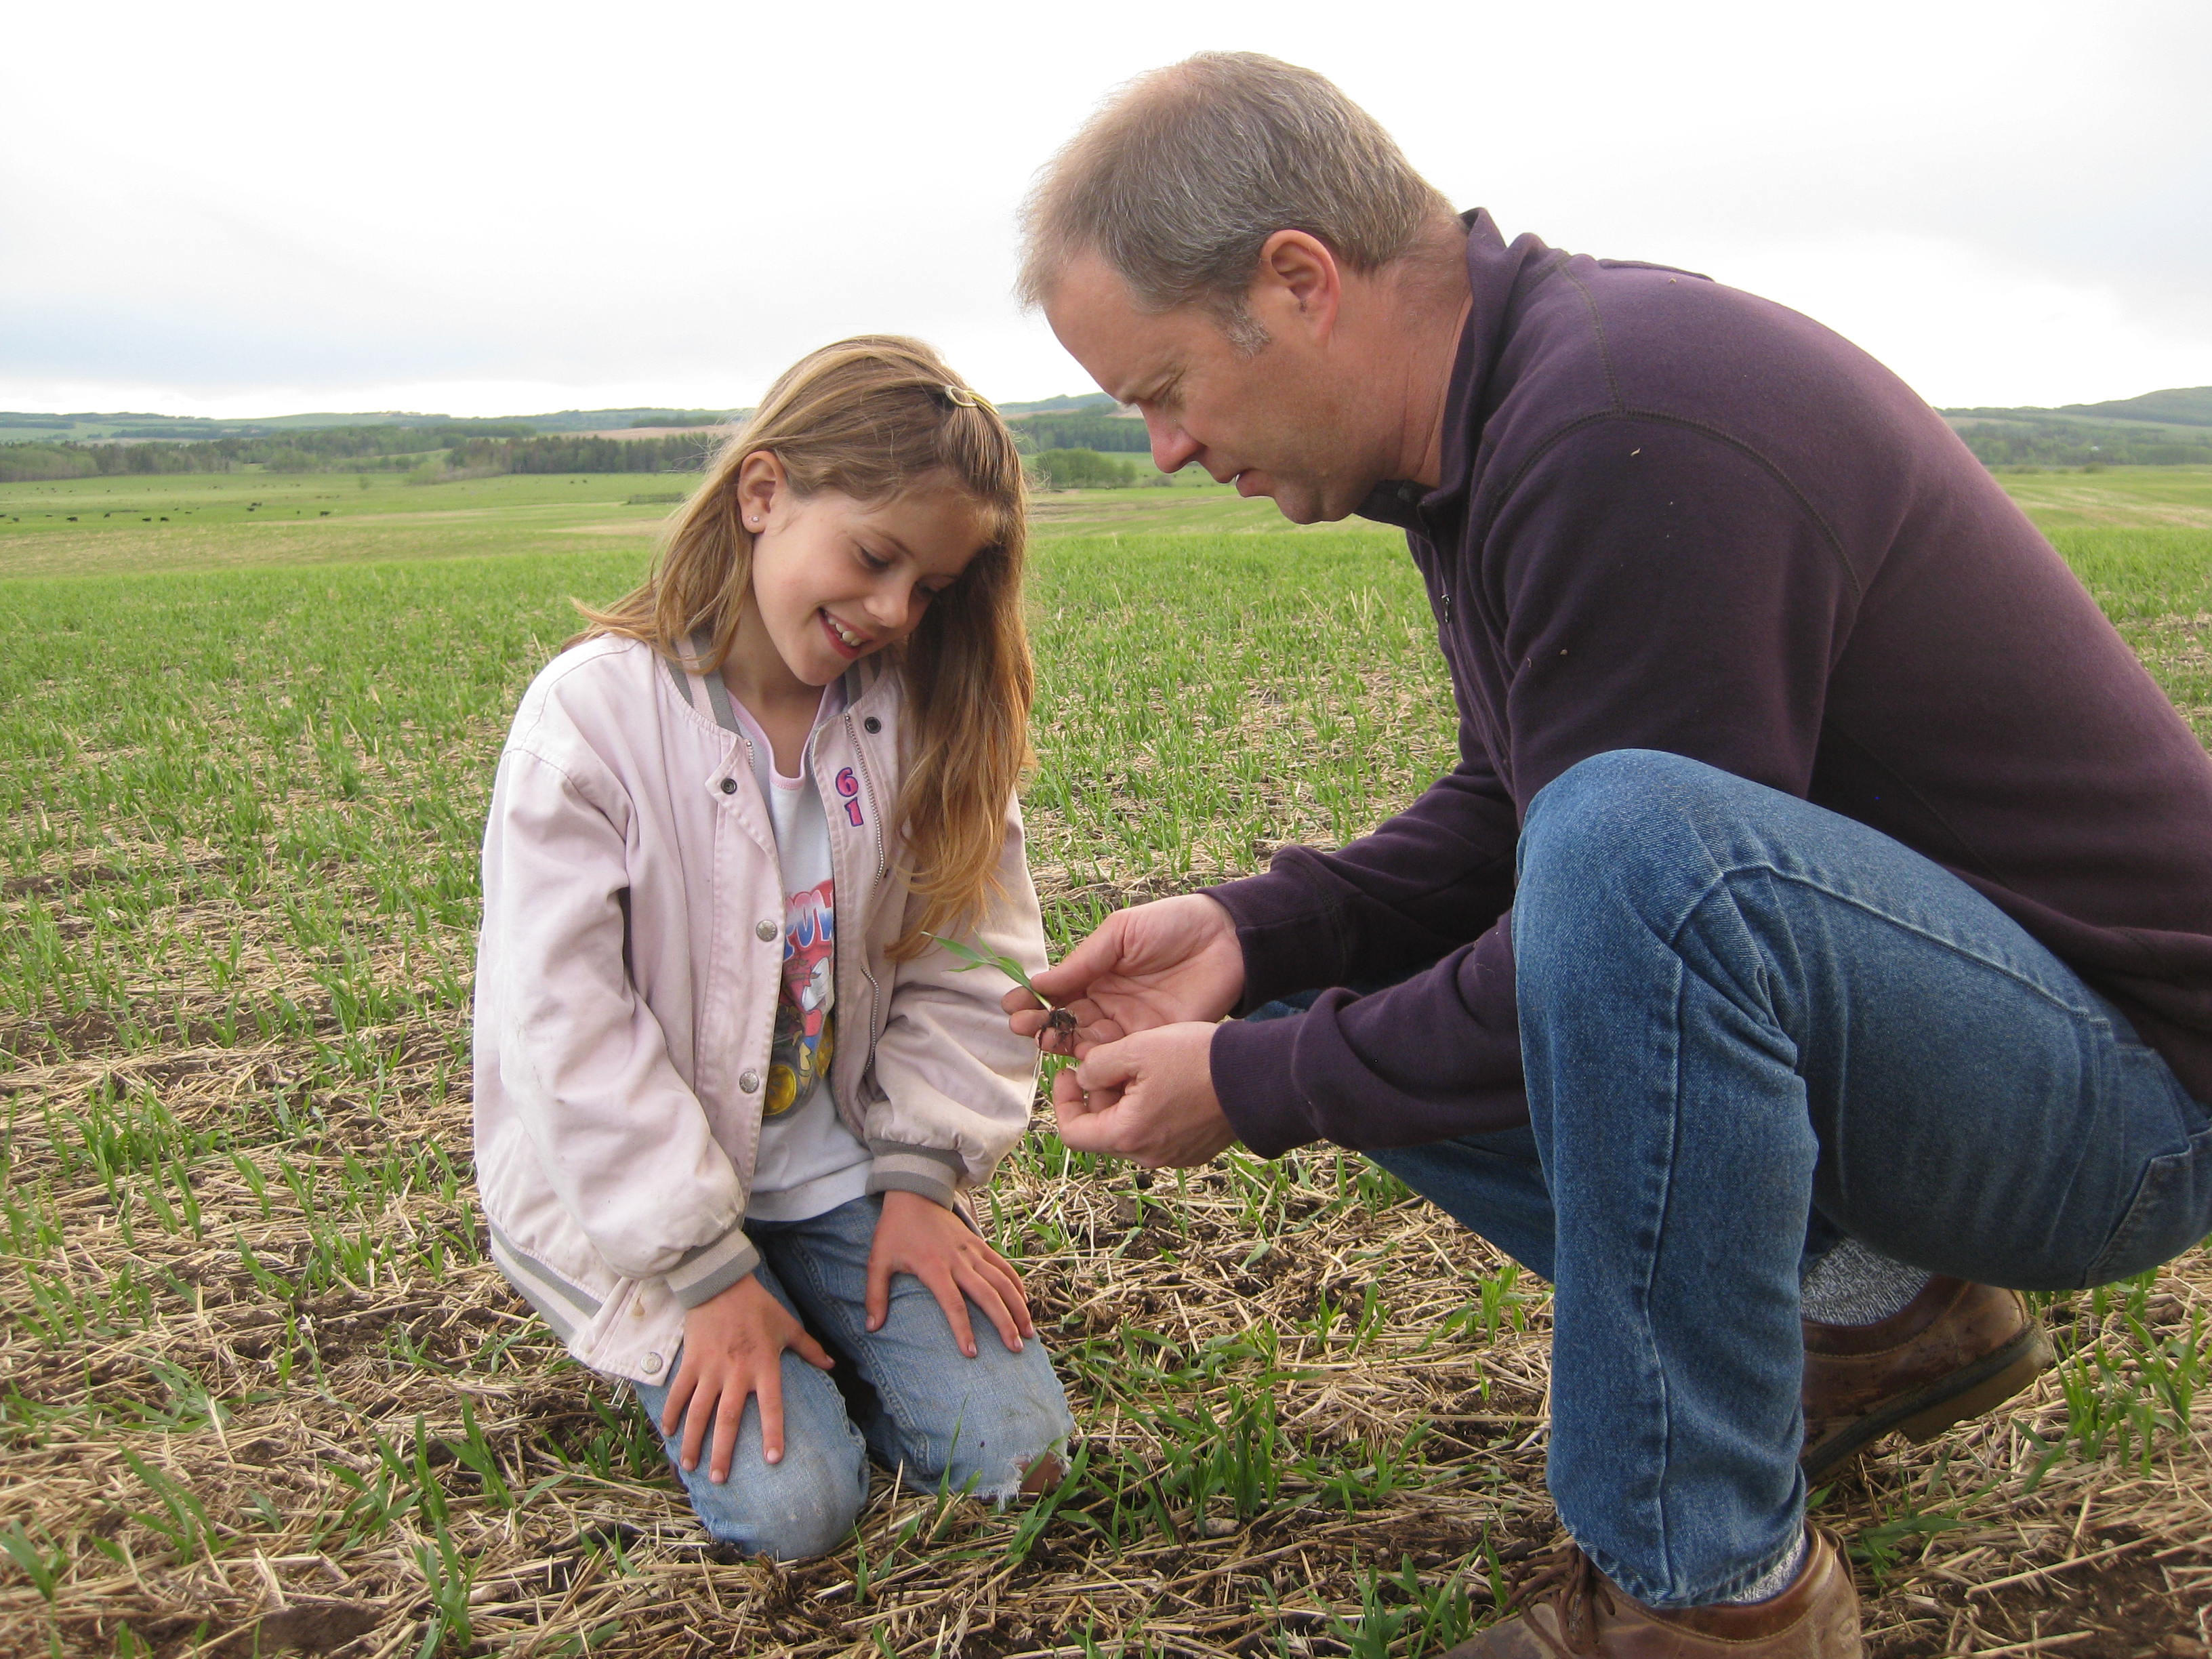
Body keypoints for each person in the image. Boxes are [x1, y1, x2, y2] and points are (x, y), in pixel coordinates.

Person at [1006, 54, 2212, 1658]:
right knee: (1329, 1002)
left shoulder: (1618, 421)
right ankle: (1867, 1311)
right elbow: (1518, 811)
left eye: (1160, 389)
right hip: (1958, 1039)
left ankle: (1710, 1599)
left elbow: (1636, 887)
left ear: (1297, 283)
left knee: (1625, 854)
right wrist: (1255, 936)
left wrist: (1256, 1086)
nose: (1162, 446)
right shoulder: (1497, 425)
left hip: (2127, 1099)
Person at [474, 337, 1073, 1562]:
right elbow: (565, 1032)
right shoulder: (589, 724)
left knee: (1023, 1458)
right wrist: (703, 1271)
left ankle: (815, 1307)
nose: (898, 610)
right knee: (801, 1515)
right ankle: (713, 1326)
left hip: (845, 1173)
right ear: (764, 495)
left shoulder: (919, 714)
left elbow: (973, 960)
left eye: (933, 584)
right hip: (647, 1210)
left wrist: (920, 1182)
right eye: (874, 556)